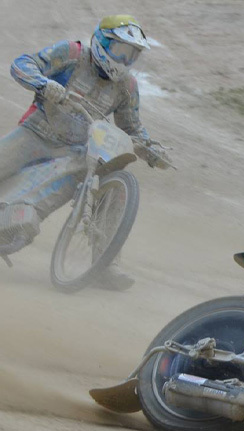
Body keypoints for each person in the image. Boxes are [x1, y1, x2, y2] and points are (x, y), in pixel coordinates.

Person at [0, 15, 170, 290]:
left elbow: (132, 127)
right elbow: (23, 64)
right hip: (36, 133)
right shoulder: (72, 53)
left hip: (78, 151)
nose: (124, 61)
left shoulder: (127, 86)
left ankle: (104, 264)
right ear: (102, 41)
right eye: (121, 51)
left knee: (111, 178)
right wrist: (43, 84)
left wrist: (151, 148)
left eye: (132, 56)